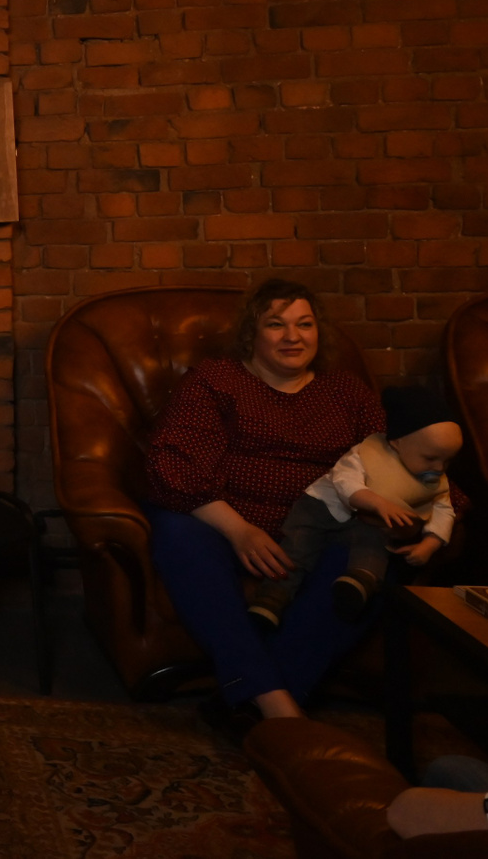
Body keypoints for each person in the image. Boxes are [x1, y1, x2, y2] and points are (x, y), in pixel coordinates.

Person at [142, 279, 385, 722]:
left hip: (320, 532)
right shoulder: (216, 380)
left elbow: (397, 464)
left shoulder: (347, 393)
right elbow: (174, 465)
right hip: (228, 524)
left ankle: (254, 704)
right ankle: (278, 707)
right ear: (251, 333)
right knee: (176, 530)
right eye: (276, 324)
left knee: (374, 558)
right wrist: (240, 531)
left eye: (304, 324)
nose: (293, 336)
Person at [247, 387, 461, 629]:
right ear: (397, 443)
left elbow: (444, 509)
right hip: (320, 509)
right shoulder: (366, 454)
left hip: (365, 522)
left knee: (375, 543)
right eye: (430, 458)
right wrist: (379, 503)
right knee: (298, 547)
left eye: (448, 461)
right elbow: (344, 482)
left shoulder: (435, 478)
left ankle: (358, 583)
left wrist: (429, 544)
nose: (439, 468)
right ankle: (271, 599)